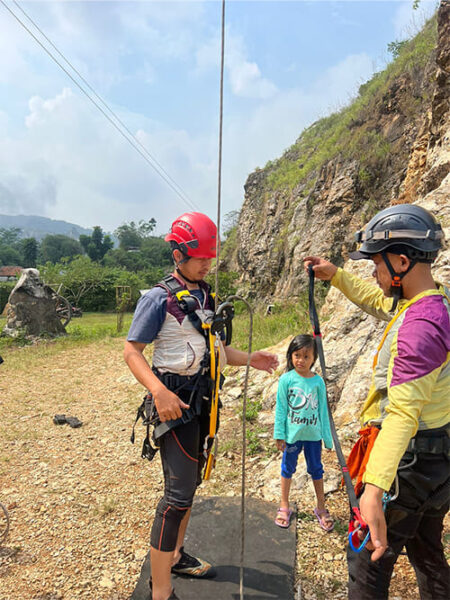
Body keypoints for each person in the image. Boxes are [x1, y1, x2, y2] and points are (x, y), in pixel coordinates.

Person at [123, 211, 278, 600]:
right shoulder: (157, 299)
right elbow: (132, 351)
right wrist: (158, 392)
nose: (207, 264)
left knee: (191, 485)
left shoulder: (205, 294)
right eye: (200, 257)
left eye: (210, 257)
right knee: (176, 498)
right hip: (172, 404)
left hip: (202, 401)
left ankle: (174, 554)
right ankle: (161, 591)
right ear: (178, 254)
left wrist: (250, 359)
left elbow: (214, 348)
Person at [304, 204, 449, 600]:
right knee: (427, 550)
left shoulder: (419, 328)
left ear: (402, 261)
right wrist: (336, 276)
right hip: (438, 458)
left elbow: (403, 413)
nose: (374, 271)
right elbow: (378, 300)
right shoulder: (433, 302)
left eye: (377, 263)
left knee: (368, 563)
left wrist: (373, 489)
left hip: (409, 463)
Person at [273, 334, 334, 531]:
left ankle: (321, 507)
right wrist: (279, 434)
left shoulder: (317, 382)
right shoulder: (286, 380)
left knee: (316, 469)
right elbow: (281, 409)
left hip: (313, 437)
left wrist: (327, 438)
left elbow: (324, 411)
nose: (301, 360)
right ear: (291, 356)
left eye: (306, 356)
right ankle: (284, 505)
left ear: (314, 359)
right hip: (292, 437)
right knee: (287, 468)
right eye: (297, 355)